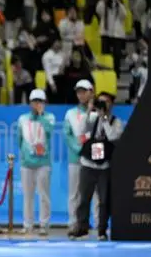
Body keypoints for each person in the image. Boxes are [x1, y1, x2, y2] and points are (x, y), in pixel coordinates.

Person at [70, 92, 124, 240]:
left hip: (104, 167)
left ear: (111, 104)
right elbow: (80, 131)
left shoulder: (116, 122)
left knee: (104, 200)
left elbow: (112, 136)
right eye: (100, 102)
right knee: (83, 198)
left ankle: (102, 230)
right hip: (88, 164)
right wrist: (89, 111)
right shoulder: (92, 118)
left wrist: (104, 118)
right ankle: (82, 228)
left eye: (106, 102)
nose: (102, 105)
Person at [16, 89, 55, 236]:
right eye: (34, 101)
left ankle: (44, 224)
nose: (37, 104)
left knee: (44, 195)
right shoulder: (22, 119)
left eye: (40, 101)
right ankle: (28, 224)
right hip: (27, 163)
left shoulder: (49, 117)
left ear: (45, 103)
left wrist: (41, 116)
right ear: (30, 103)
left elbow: (49, 131)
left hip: (43, 162)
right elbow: (19, 139)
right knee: (28, 195)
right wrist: (25, 154)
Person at [63, 80, 96, 233]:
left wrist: (95, 156)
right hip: (75, 159)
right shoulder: (70, 114)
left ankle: (98, 223)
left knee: (96, 192)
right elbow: (67, 135)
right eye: (78, 92)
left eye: (84, 91)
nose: (81, 95)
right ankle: (73, 222)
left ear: (91, 92)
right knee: (74, 193)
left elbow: (100, 134)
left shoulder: (97, 112)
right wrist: (79, 150)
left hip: (94, 160)